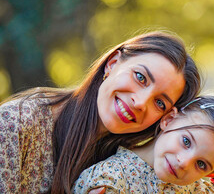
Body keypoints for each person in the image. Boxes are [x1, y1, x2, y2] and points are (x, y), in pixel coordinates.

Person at [0, 31, 201, 194]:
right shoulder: (17, 124)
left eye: (159, 102)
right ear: (112, 63)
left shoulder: (129, 170)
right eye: (140, 77)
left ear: (166, 119)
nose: (140, 102)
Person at [72, 95, 214, 194]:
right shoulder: (109, 180)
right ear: (169, 119)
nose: (184, 162)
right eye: (186, 141)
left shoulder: (201, 191)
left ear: (212, 173)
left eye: (201, 164)